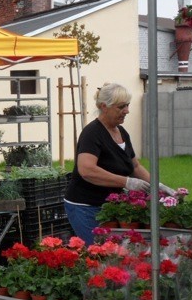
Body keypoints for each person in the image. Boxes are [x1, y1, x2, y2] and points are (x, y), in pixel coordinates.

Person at [64, 83, 173, 245]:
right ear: (104, 107)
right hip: (86, 206)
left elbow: (134, 167)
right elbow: (87, 170)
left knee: (114, 254)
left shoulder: (121, 132)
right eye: (121, 106)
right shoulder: (92, 133)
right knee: (98, 252)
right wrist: (126, 182)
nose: (127, 111)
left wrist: (158, 185)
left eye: (127, 105)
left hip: (109, 207)